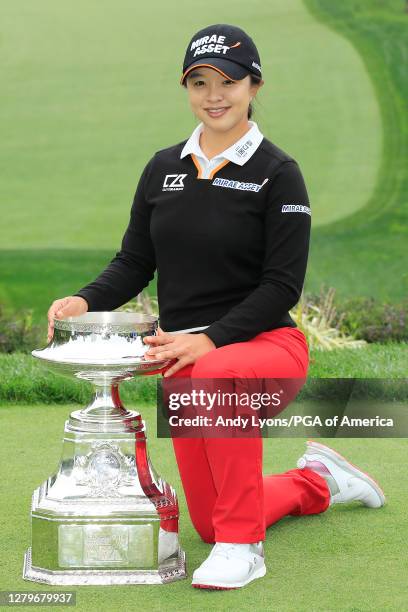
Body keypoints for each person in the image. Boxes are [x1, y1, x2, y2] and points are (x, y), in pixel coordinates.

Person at [46, 23, 386, 590]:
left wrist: (208, 340)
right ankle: (317, 481)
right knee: (208, 520)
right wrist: (84, 298)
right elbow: (134, 261)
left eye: (230, 81)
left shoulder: (279, 174)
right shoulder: (162, 167)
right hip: (183, 360)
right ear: (187, 88)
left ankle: (244, 548)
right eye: (199, 81)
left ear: (255, 86)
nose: (214, 95)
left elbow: (282, 287)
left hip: (261, 349)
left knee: (217, 379)